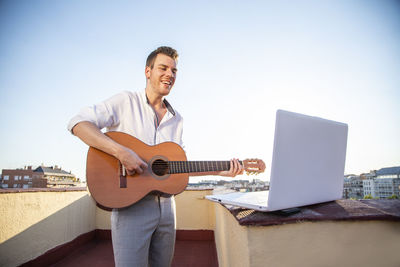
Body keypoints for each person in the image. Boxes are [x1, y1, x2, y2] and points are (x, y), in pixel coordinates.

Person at [67, 46, 243, 267]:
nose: (170, 74)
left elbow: (178, 166)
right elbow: (78, 123)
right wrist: (121, 152)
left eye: (174, 70)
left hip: (167, 210)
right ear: (147, 71)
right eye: (163, 68)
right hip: (130, 208)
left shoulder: (177, 119)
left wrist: (221, 170)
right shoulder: (125, 101)